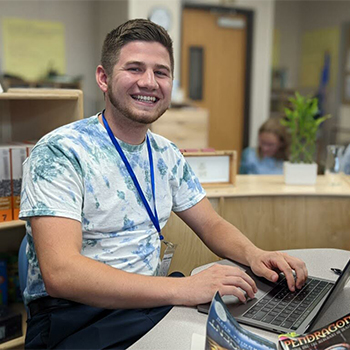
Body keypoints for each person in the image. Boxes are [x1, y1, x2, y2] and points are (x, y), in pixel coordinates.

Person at [19, 19, 307, 349]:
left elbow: (211, 223)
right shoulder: (61, 152)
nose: (149, 82)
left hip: (146, 304)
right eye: (135, 68)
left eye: (161, 72)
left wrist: (255, 254)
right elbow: (61, 273)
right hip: (76, 318)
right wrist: (186, 289)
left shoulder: (166, 153)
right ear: (103, 77)